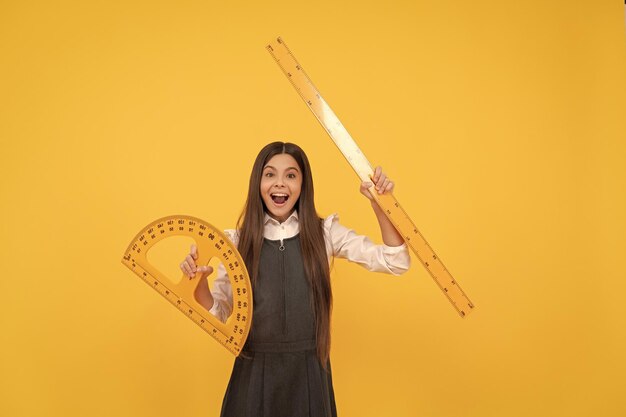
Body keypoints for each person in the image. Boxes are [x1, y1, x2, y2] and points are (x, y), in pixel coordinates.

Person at [179, 141, 410, 417]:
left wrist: (379, 203)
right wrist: (199, 282)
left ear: (303, 185)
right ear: (258, 182)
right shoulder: (236, 243)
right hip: (252, 377)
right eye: (270, 174)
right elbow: (218, 315)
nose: (280, 184)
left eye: (291, 175)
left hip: (309, 376)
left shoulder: (325, 233)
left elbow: (396, 261)